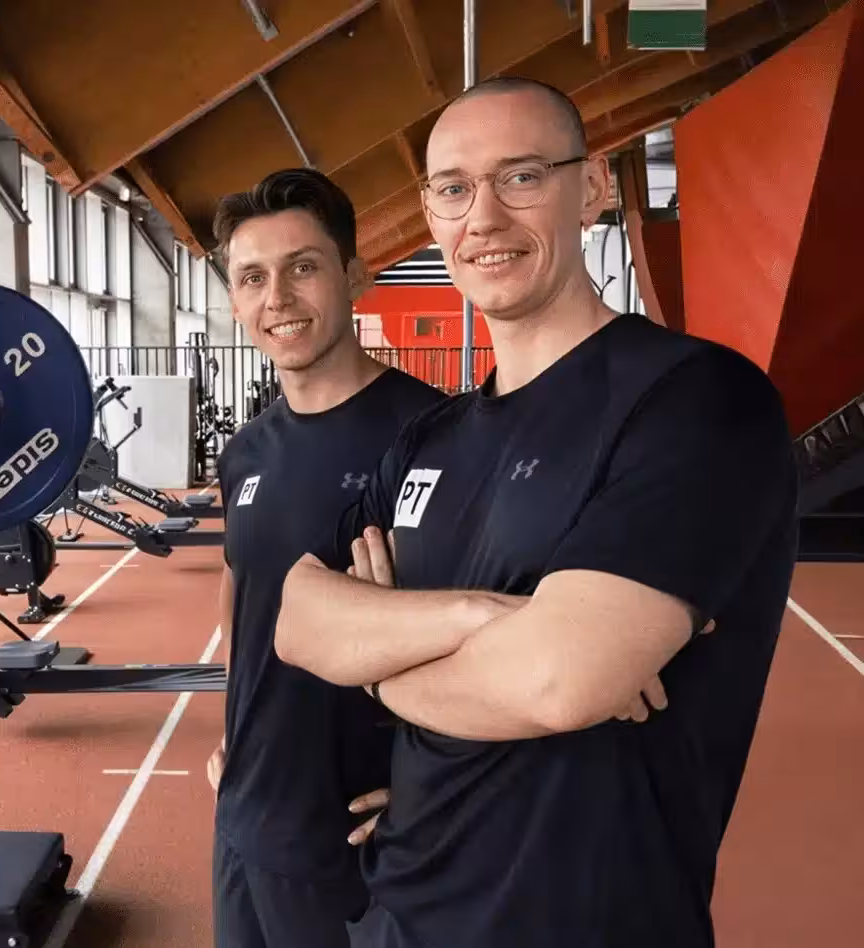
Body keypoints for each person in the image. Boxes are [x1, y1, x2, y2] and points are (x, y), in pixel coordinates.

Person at [274, 77, 798, 948]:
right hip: (400, 908)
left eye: (521, 176)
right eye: (454, 188)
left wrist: (377, 661)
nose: (482, 217)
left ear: (590, 188)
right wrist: (489, 616)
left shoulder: (695, 401)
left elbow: (558, 679)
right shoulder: (428, 437)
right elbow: (299, 616)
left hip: (590, 918)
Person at [206, 168, 447, 948]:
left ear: (352, 276)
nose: (277, 297)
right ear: (237, 299)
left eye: (303, 267)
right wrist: (229, 731)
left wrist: (439, 783)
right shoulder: (244, 452)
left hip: (362, 837)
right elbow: (242, 587)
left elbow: (494, 622)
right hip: (245, 819)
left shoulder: (437, 435)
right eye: (253, 277)